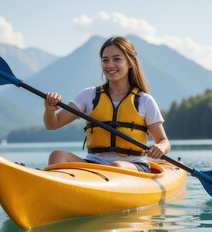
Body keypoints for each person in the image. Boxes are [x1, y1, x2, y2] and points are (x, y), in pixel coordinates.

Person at [43, 36, 170, 173]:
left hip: (132, 166)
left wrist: (161, 148)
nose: (110, 65)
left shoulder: (145, 100)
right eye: (105, 60)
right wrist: (50, 110)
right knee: (57, 155)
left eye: (116, 59)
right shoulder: (88, 95)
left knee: (117, 166)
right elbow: (52, 124)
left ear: (130, 63)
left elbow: (164, 141)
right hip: (94, 165)